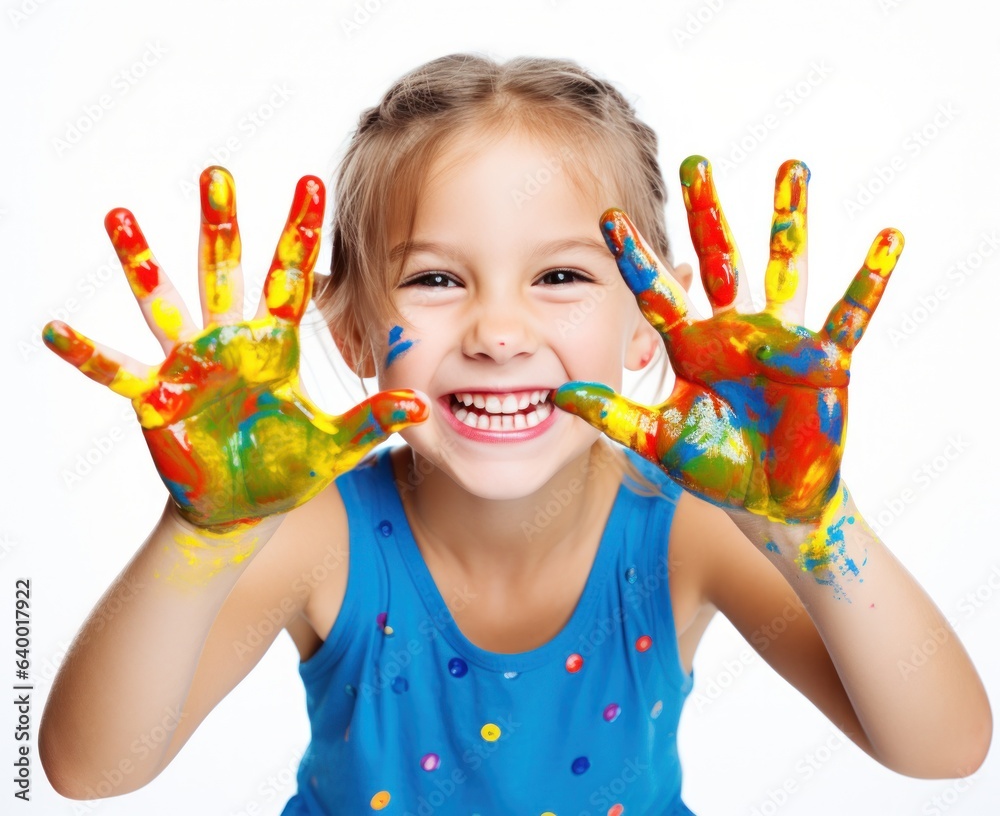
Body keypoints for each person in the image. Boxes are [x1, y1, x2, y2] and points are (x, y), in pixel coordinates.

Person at [38, 53, 990, 815]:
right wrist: (201, 535)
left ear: (651, 325)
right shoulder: (317, 536)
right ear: (355, 333)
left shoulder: (682, 527)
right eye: (437, 280)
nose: (498, 333)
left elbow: (945, 750)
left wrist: (818, 527)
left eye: (563, 277)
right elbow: (94, 770)